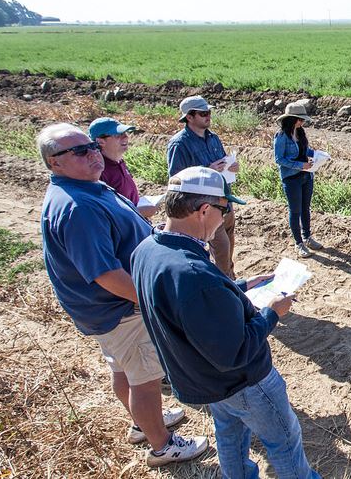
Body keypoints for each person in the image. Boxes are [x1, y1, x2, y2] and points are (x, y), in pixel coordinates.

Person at [37, 123, 207, 468]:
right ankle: (163, 447)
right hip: (121, 308)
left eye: (91, 146)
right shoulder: (77, 207)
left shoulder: (87, 189)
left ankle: (142, 424)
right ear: (55, 163)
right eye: (80, 151)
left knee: (124, 370)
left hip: (107, 311)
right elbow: (104, 274)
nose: (93, 153)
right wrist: (149, 297)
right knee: (145, 378)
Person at [132, 166, 319, 478]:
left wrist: (242, 285)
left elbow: (190, 305)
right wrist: (273, 312)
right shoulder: (194, 274)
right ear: (204, 210)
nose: (226, 216)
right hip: (244, 383)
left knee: (230, 440)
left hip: (204, 379)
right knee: (284, 443)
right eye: (225, 208)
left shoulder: (148, 250)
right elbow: (236, 352)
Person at [166, 95, 239, 278]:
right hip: (206, 209)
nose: (208, 116)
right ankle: (227, 286)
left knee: (228, 247)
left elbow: (222, 161)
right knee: (221, 251)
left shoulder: (213, 138)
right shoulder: (179, 144)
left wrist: (231, 166)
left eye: (209, 112)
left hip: (224, 202)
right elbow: (176, 180)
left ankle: (231, 279)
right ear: (189, 117)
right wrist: (208, 170)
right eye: (203, 113)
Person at [273, 100, 323, 257]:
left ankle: (307, 237)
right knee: (295, 211)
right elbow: (279, 159)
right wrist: (300, 165)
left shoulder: (300, 133)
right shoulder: (281, 137)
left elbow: (305, 150)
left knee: (305, 208)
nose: (303, 122)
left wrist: (316, 155)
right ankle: (298, 243)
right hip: (291, 178)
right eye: (300, 119)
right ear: (292, 119)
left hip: (306, 176)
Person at [89, 117, 158, 220]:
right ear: (101, 141)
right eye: (118, 135)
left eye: (125, 133)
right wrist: (137, 211)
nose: (125, 137)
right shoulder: (98, 171)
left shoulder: (119, 161)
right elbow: (102, 213)